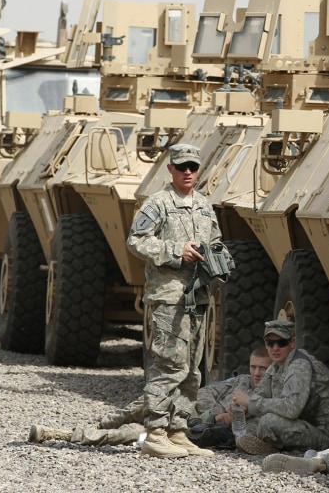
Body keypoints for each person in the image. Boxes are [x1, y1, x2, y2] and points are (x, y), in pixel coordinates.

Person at [126, 142, 232, 458]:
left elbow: (215, 243)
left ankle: (178, 429)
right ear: (170, 169)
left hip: (197, 296)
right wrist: (176, 252)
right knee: (168, 364)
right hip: (169, 297)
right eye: (182, 166)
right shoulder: (157, 204)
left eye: (193, 167)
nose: (187, 172)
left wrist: (221, 258)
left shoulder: (204, 206)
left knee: (191, 369)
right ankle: (155, 432)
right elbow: (136, 241)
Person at [27, 346, 272, 448]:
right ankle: (101, 422)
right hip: (189, 411)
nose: (257, 373)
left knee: (131, 435)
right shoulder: (240, 382)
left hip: (189, 431)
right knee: (144, 405)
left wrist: (219, 419)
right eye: (254, 367)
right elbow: (205, 393)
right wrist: (211, 410)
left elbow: (232, 436)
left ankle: (63, 435)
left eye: (263, 368)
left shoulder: (269, 398)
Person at [231, 319, 329, 456]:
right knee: (247, 426)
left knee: (268, 422)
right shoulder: (275, 366)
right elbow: (261, 394)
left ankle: (273, 448)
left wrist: (251, 402)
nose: (275, 348)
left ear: (292, 343)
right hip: (305, 424)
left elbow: (291, 409)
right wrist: (242, 407)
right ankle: (272, 445)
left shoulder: (299, 366)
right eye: (270, 343)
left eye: (281, 343)